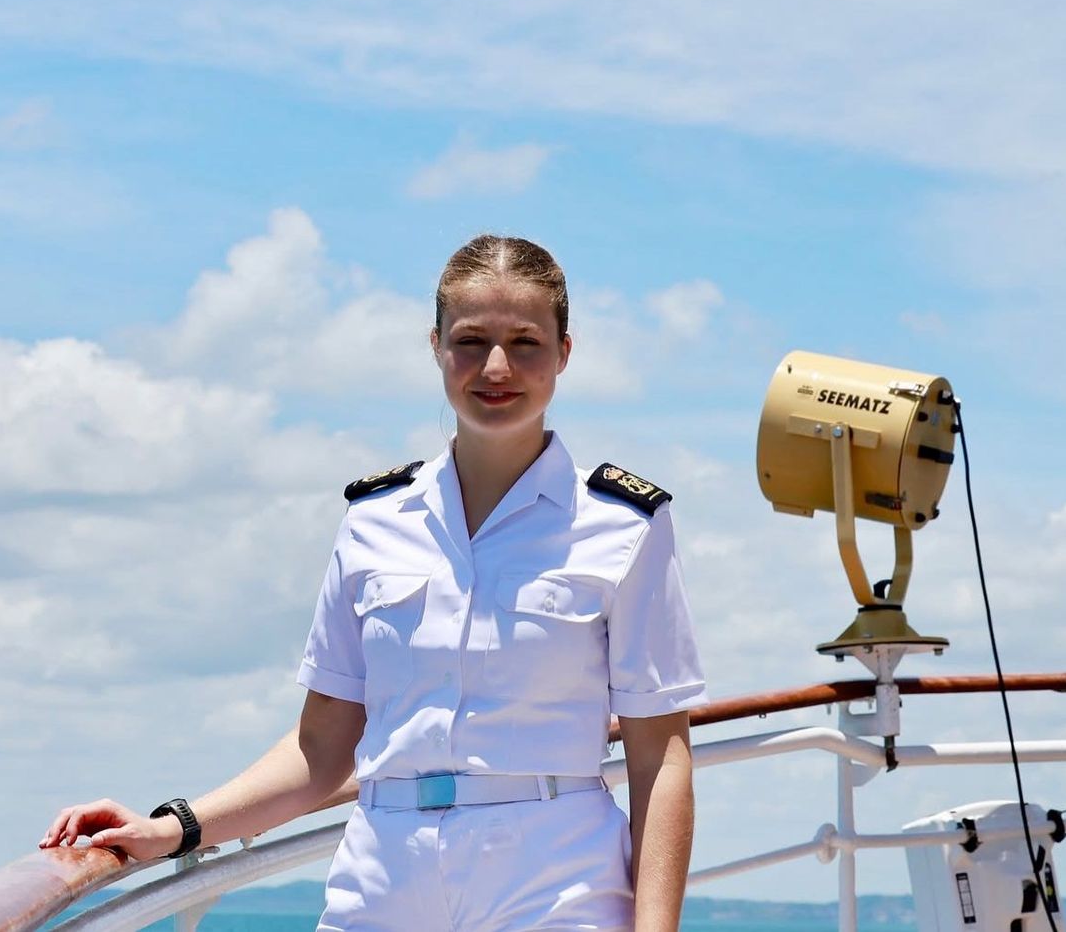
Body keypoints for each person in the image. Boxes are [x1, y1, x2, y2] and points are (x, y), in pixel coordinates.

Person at [42, 235, 707, 932]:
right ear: (437, 346)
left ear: (565, 352)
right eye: (472, 340)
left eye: (526, 342)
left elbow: (659, 752)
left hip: (554, 880)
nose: (497, 366)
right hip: (384, 883)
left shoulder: (624, 525)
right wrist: (175, 825)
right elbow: (323, 746)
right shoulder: (374, 520)